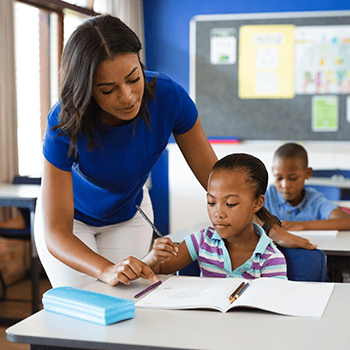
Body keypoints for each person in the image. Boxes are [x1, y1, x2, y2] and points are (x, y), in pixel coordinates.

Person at [34, 15, 311, 289]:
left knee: (127, 303)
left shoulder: (168, 97)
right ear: (87, 90)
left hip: (127, 215)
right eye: (108, 90)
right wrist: (106, 269)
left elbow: (216, 176)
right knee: (86, 306)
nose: (128, 96)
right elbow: (56, 231)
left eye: (133, 78)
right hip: (73, 222)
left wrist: (270, 227)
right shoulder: (65, 121)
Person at [143, 153, 287, 279]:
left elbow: (272, 302)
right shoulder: (201, 241)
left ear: (257, 203)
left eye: (230, 204)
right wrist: (155, 257)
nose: (218, 213)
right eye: (211, 202)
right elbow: (160, 269)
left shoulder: (271, 259)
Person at [264, 142, 350, 232]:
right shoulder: (265, 197)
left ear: (308, 173)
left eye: (293, 178)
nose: (285, 185)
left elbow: (347, 222)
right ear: (273, 171)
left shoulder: (315, 201)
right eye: (278, 178)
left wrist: (302, 225)